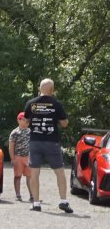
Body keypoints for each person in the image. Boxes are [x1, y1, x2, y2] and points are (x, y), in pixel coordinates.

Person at [23, 78, 71, 213]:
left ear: (40, 89)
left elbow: (25, 123)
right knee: (60, 172)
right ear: (52, 90)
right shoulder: (57, 104)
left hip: (35, 142)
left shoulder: (30, 103)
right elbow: (64, 124)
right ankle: (63, 201)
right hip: (52, 142)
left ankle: (36, 203)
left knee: (34, 173)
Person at [6, 112, 32, 202]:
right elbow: (11, 146)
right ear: (19, 120)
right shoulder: (14, 133)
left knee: (30, 176)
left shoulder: (30, 132)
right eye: (24, 119)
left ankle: (32, 195)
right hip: (18, 157)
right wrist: (12, 158)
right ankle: (18, 194)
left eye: (28, 120)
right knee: (17, 176)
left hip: (28, 157)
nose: (27, 122)